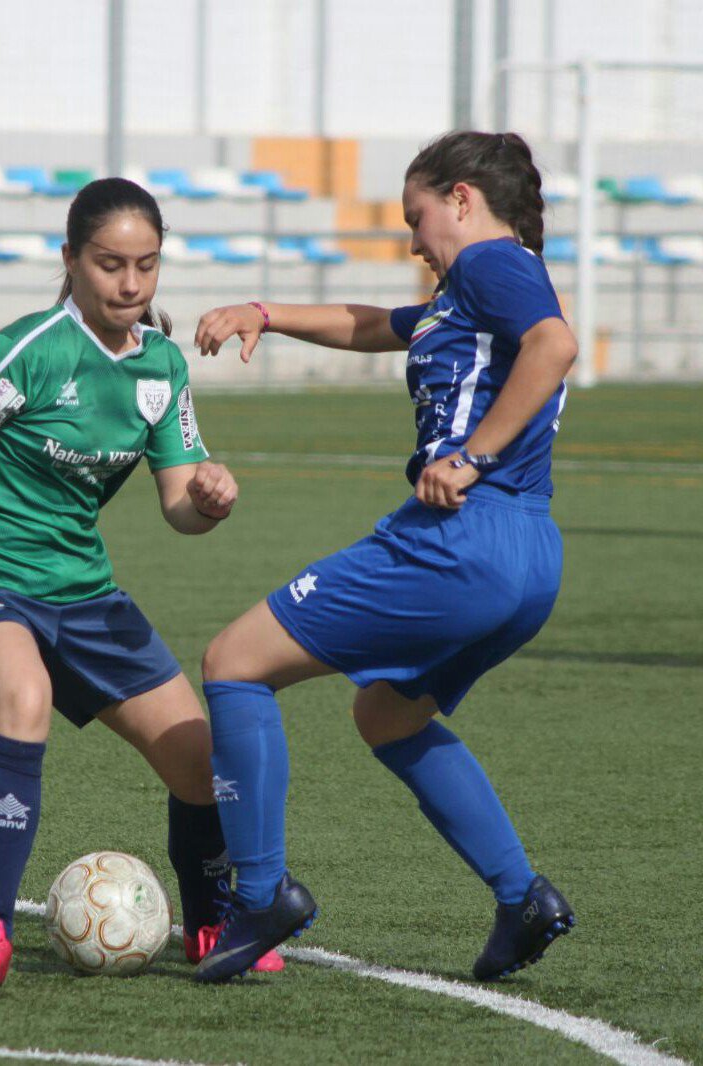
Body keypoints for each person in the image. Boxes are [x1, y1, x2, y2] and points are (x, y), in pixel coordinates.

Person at [188, 131, 580, 984]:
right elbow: (375, 325)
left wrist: (471, 456)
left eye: (418, 217)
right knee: (387, 715)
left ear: (465, 199)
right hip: (529, 555)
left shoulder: (489, 265)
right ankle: (521, 898)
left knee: (233, 663)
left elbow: (555, 345)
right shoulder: (466, 293)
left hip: (460, 540)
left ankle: (259, 897)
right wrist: (266, 313)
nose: (413, 241)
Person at [0, 177, 282, 996]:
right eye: (109, 264)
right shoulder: (25, 351)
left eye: (146, 265)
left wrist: (210, 498)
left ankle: (209, 921)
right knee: (22, 697)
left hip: (86, 597)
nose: (130, 284)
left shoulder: (163, 368)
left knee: (199, 762)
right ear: (71, 262)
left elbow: (178, 505)